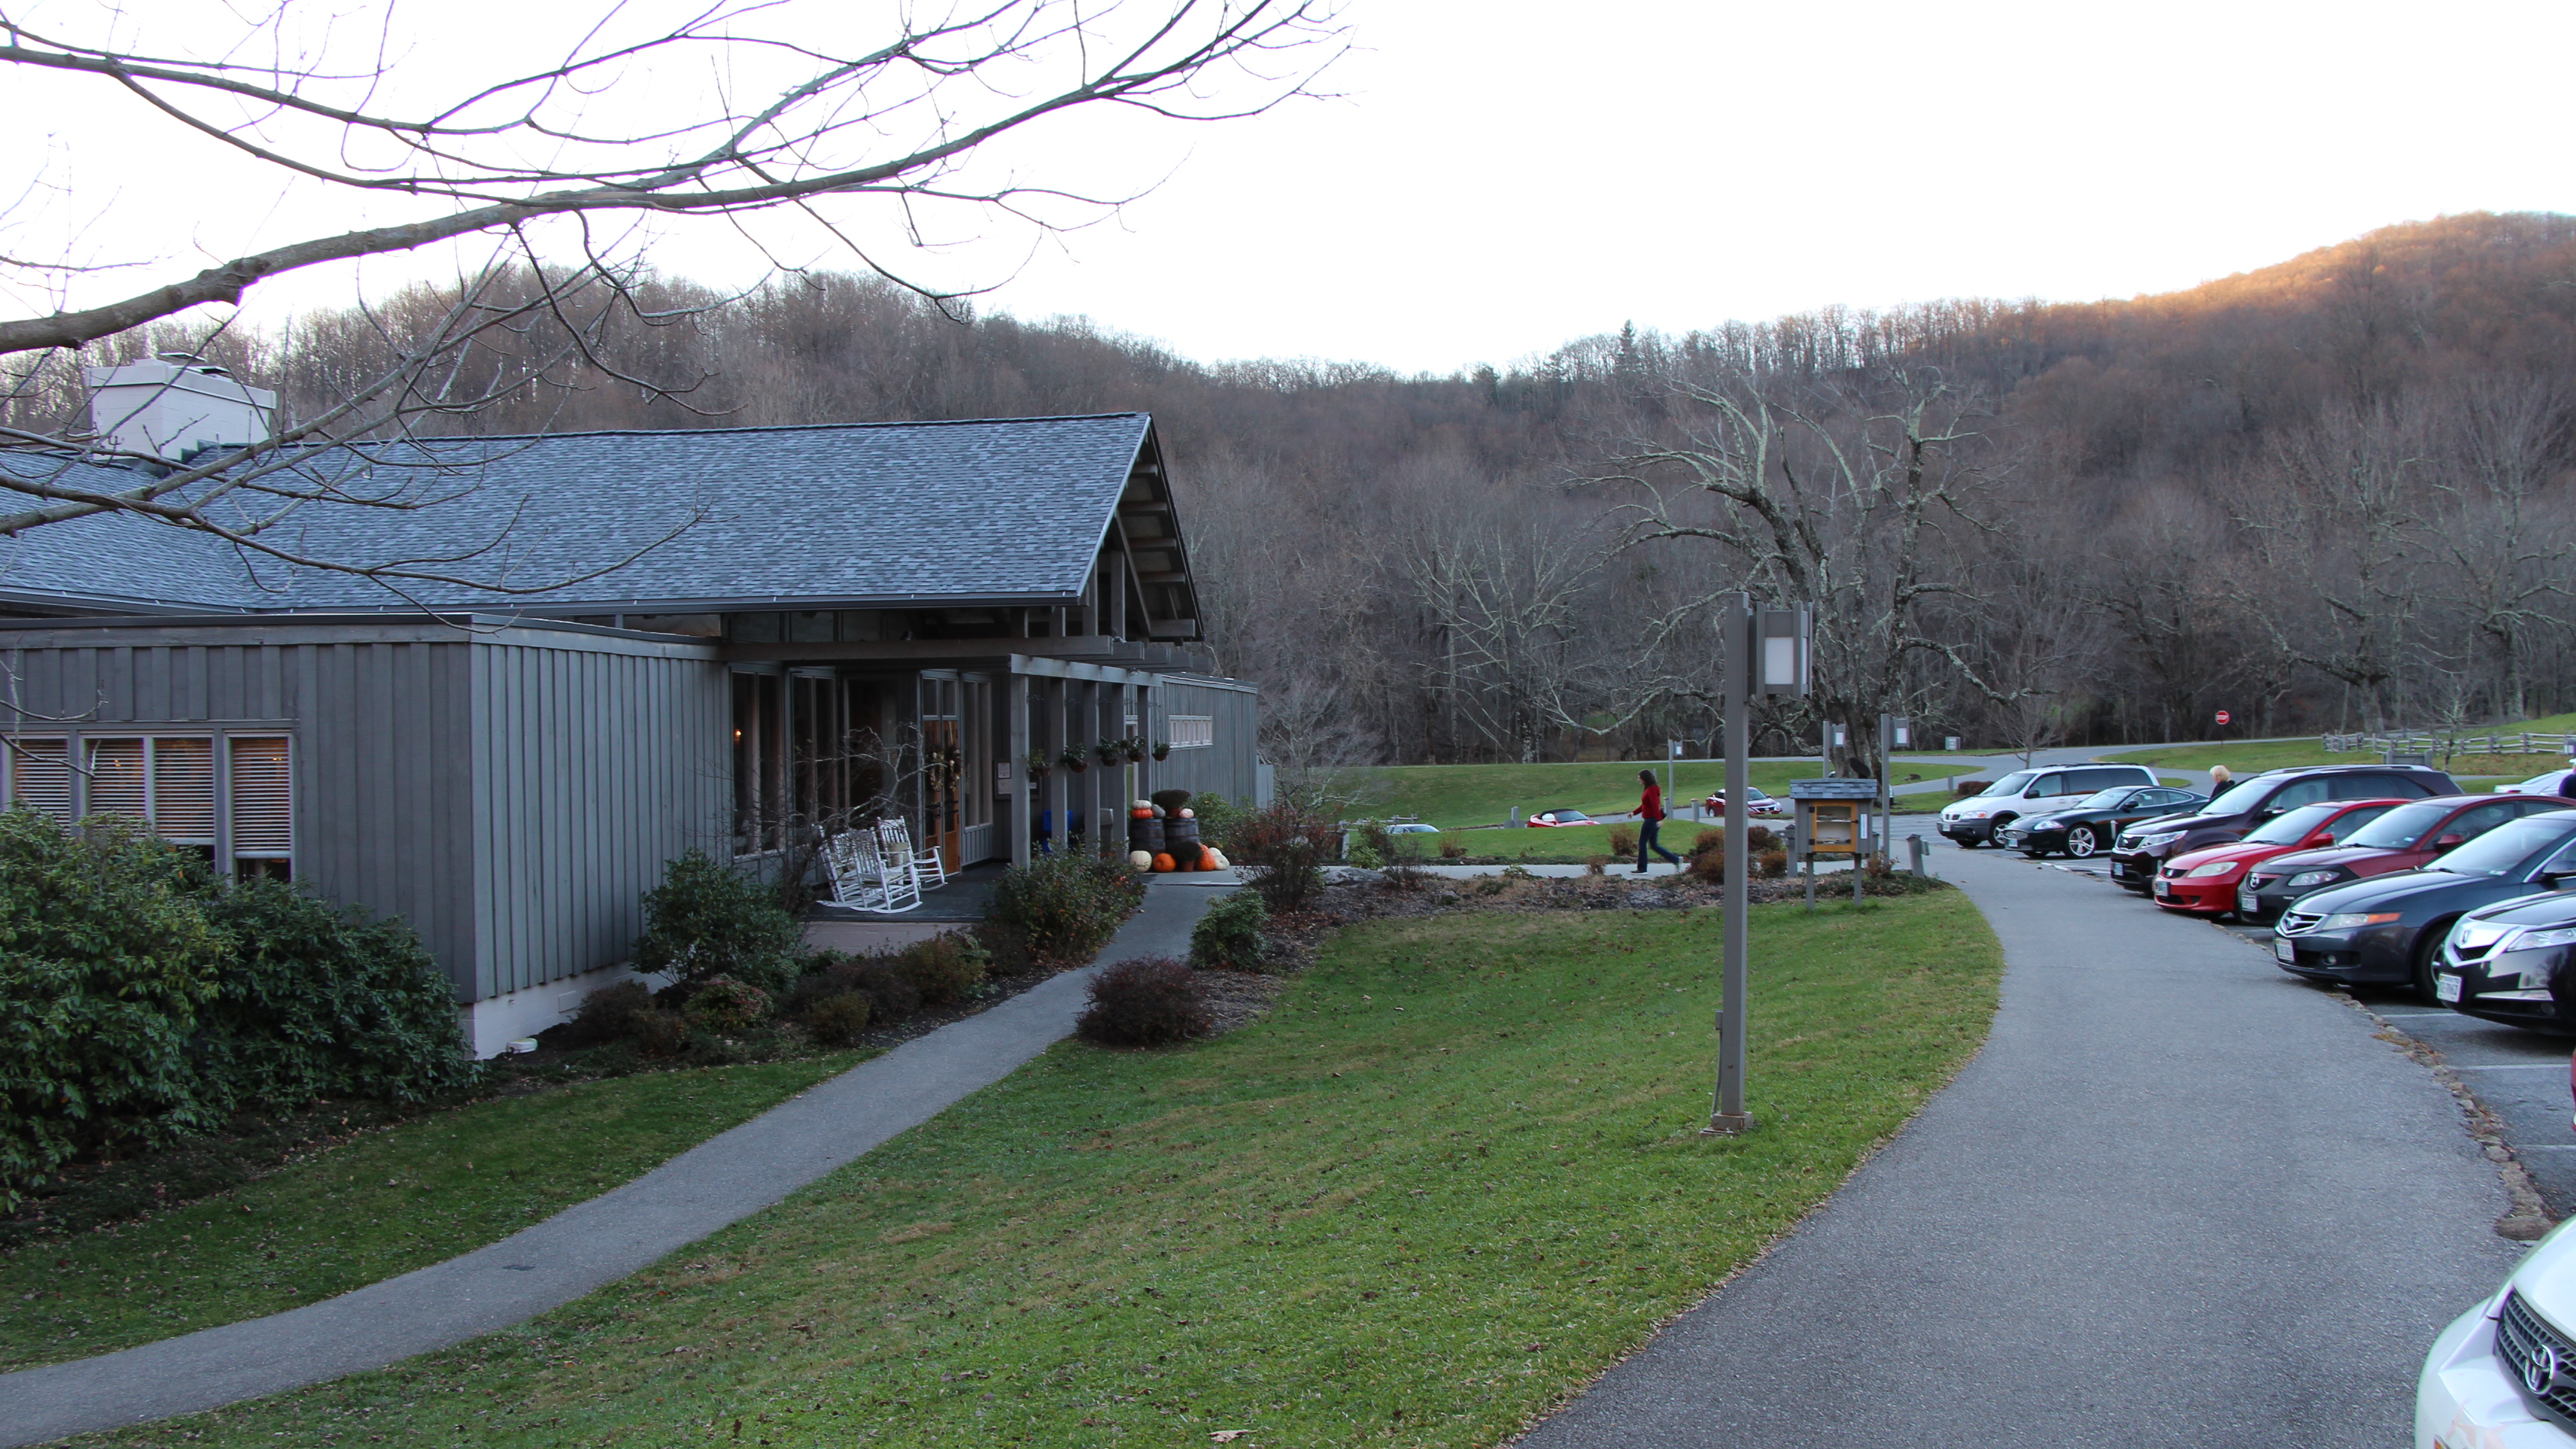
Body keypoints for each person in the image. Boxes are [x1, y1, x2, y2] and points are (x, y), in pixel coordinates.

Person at [1631, 768, 1682, 873]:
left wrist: (1659, 820)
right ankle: (1676, 860)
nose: (1638, 779)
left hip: (1651, 820)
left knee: (1642, 843)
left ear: (1645, 778)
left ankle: (1642, 868)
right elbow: (1646, 805)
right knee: (1654, 845)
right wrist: (1634, 813)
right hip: (1652, 819)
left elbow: (1655, 805)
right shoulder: (1649, 789)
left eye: (1640, 777)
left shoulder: (1652, 789)